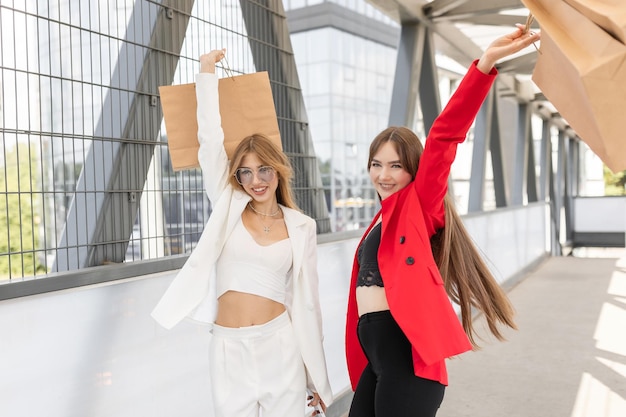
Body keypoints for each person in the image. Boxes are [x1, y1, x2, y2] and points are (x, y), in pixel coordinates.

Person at [345, 25, 541, 417]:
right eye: (377, 164)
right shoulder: (378, 221)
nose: (384, 175)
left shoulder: (419, 206)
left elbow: (444, 137)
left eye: (396, 166)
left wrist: (484, 65)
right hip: (379, 363)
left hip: (409, 367)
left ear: (413, 170)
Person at [152, 49, 332, 417]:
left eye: (264, 169)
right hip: (228, 348)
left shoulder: (302, 227)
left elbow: (308, 303)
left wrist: (315, 378)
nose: (255, 181)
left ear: (278, 170)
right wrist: (206, 72)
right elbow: (210, 140)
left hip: (280, 344)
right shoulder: (227, 205)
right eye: (245, 173)